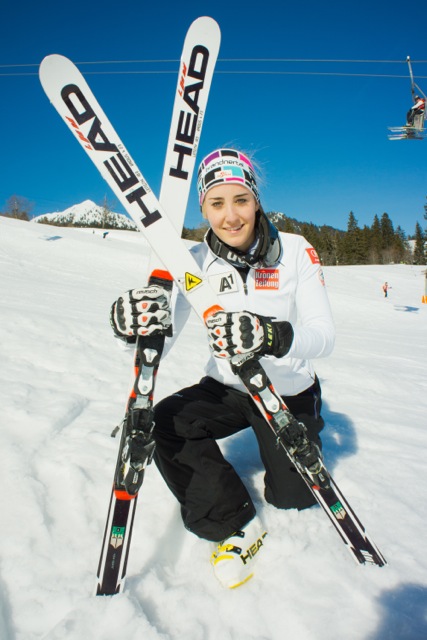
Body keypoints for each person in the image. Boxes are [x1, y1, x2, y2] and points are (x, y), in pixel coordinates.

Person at [110, 148, 336, 589]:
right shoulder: (192, 262)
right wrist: (132, 330)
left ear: (256, 200)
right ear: (204, 208)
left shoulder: (295, 250)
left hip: (286, 391)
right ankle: (228, 518)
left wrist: (270, 336)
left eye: (240, 200)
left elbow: (324, 335)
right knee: (165, 423)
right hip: (229, 387)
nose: (231, 216)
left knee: (293, 498)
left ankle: (293, 455)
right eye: (217, 203)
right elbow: (161, 343)